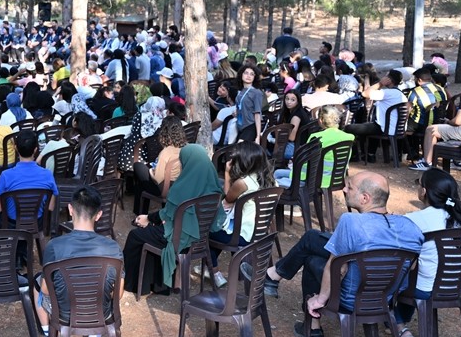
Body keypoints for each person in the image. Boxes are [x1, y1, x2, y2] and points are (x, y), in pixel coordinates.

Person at [260, 171, 423, 337]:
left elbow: (339, 268)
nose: (344, 189)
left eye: (350, 187)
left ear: (365, 198)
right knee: (313, 238)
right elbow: (412, 266)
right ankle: (275, 278)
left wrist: (320, 300)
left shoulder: (351, 222)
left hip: (349, 298)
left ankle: (312, 326)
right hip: (384, 297)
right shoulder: (411, 227)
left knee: (313, 260)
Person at [385, 167, 461, 337]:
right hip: (458, 287)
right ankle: (397, 319)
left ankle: (400, 328)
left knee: (391, 275)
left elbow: (393, 246)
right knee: (414, 272)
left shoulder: (415, 219)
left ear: (424, 191)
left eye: (419, 183)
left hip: (427, 289)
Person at [36, 185, 123, 337]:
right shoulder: (113, 247)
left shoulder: (55, 245)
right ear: (99, 215)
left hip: (64, 313)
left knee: (36, 283)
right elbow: (118, 293)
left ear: (70, 210)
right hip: (101, 312)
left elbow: (45, 291)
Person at [123, 144, 223, 296]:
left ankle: (133, 285)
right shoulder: (214, 188)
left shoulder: (183, 187)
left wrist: (148, 218)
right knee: (152, 230)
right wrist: (151, 219)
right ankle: (158, 286)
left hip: (177, 239)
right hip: (198, 239)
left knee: (135, 236)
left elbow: (168, 214)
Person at [207, 142, 273, 288]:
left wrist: (226, 172)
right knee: (219, 229)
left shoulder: (243, 183)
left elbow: (227, 198)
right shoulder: (268, 179)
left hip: (241, 235)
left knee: (206, 231)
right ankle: (209, 266)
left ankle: (214, 271)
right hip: (258, 232)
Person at [0, 131, 58, 229]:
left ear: (15, 148)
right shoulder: (48, 174)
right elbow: (50, 207)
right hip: (37, 223)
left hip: (12, 224)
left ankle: (6, 237)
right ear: (35, 150)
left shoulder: (6, 175)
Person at [274, 105, 353, 190]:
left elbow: (306, 163)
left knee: (276, 174)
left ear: (320, 120)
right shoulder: (348, 137)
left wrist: (294, 164)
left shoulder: (316, 137)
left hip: (313, 180)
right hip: (336, 179)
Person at [344, 69, 407, 162]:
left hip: (385, 129)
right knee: (371, 124)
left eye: (385, 76)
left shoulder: (387, 93)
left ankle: (354, 156)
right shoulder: (400, 93)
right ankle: (370, 154)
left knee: (349, 128)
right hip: (396, 128)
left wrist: (380, 83)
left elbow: (365, 94)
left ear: (389, 80)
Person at [131, 115, 186, 215]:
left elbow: (157, 179)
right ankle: (140, 213)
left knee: (138, 167)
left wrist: (151, 171)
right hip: (180, 186)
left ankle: (139, 213)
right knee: (142, 180)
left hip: (164, 189)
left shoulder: (166, 152)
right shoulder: (186, 147)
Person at [406, 67, 446, 161]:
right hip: (439, 121)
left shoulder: (415, 92)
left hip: (423, 124)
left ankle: (411, 152)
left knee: (405, 126)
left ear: (419, 80)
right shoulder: (440, 88)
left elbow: (408, 110)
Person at [234, 65, 264, 143]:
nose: (248, 76)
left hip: (250, 126)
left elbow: (257, 114)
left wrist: (258, 136)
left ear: (255, 77)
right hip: (240, 126)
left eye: (252, 74)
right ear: (241, 75)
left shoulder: (256, 93)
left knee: (239, 148)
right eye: (246, 73)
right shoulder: (240, 91)